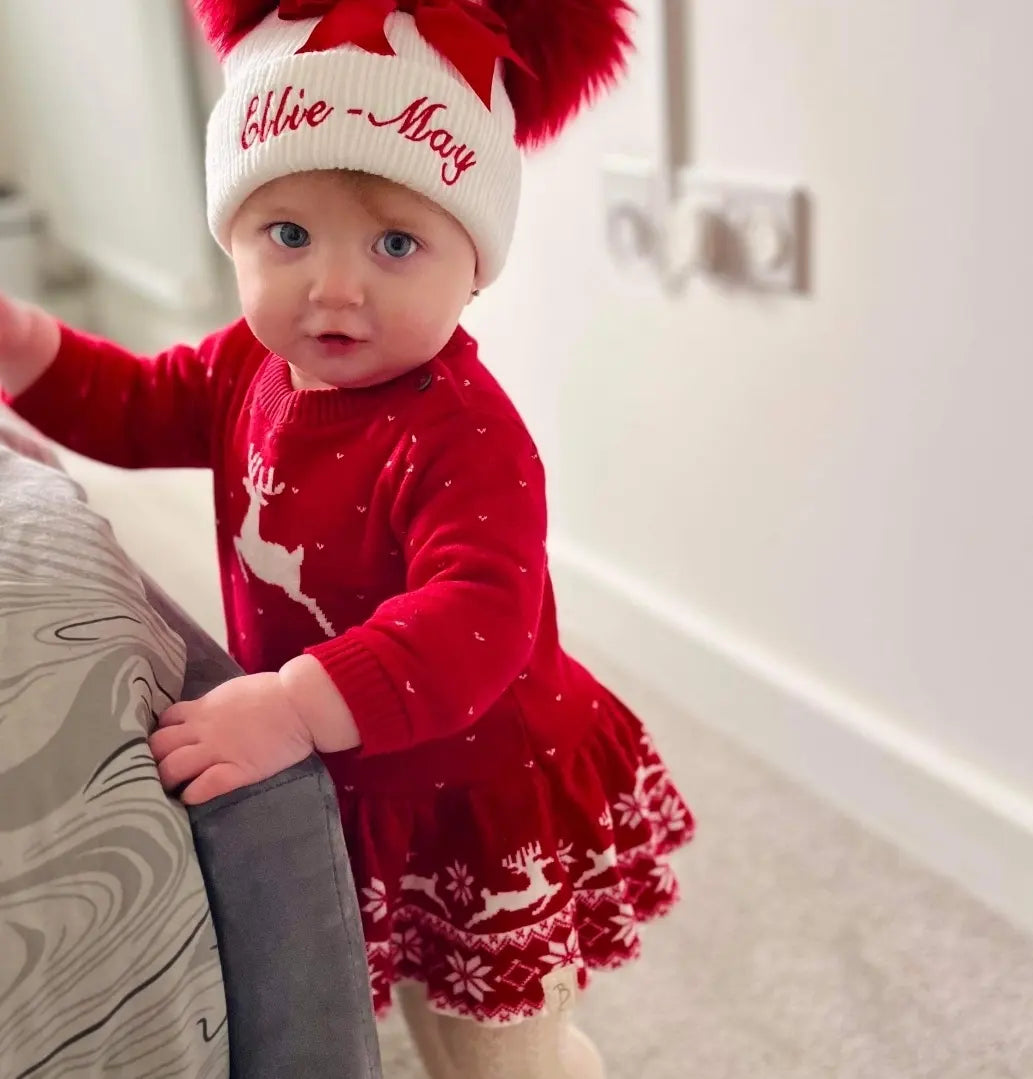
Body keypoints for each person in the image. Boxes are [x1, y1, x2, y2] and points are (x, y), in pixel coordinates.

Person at [0, 2, 694, 1075]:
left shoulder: (461, 433)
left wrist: (289, 704)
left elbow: (476, 621)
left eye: (395, 241)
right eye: (288, 233)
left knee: (490, 1049)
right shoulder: (247, 362)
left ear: (473, 264)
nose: (334, 285)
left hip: (469, 787)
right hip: (355, 754)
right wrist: (33, 345)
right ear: (231, 231)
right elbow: (138, 406)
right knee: (395, 998)